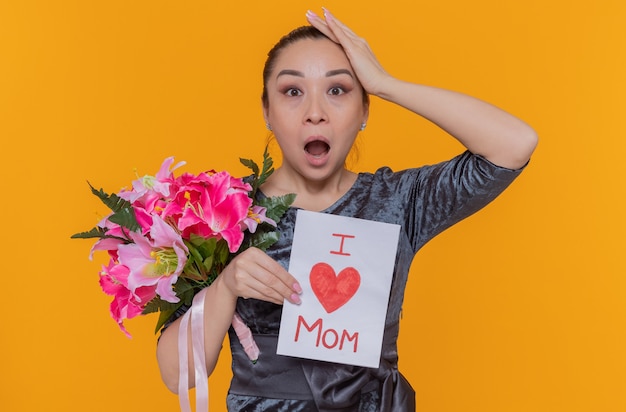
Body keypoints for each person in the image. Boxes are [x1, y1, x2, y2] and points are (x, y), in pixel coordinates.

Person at [156, 8, 538, 411]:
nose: (315, 111)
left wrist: (386, 84)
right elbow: (175, 375)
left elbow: (514, 144)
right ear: (266, 111)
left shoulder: (398, 201)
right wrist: (226, 286)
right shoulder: (224, 210)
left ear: (365, 112)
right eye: (292, 91)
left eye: (338, 90)